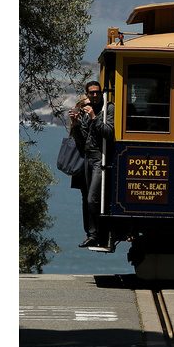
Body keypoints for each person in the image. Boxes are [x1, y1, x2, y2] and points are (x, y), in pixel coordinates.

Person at [71, 81, 115, 247]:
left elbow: (108, 133)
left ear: (102, 93)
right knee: (87, 199)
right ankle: (92, 234)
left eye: (98, 92)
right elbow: (82, 140)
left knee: (92, 199)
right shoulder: (86, 109)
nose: (95, 95)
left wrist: (94, 118)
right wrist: (75, 123)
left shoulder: (108, 109)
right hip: (87, 159)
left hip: (100, 159)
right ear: (87, 94)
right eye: (92, 93)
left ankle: (99, 234)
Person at [68, 95, 90, 240]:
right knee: (87, 199)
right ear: (81, 107)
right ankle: (89, 231)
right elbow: (82, 141)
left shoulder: (78, 121)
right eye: (88, 105)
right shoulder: (78, 122)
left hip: (82, 165)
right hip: (83, 165)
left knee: (87, 199)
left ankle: (89, 231)